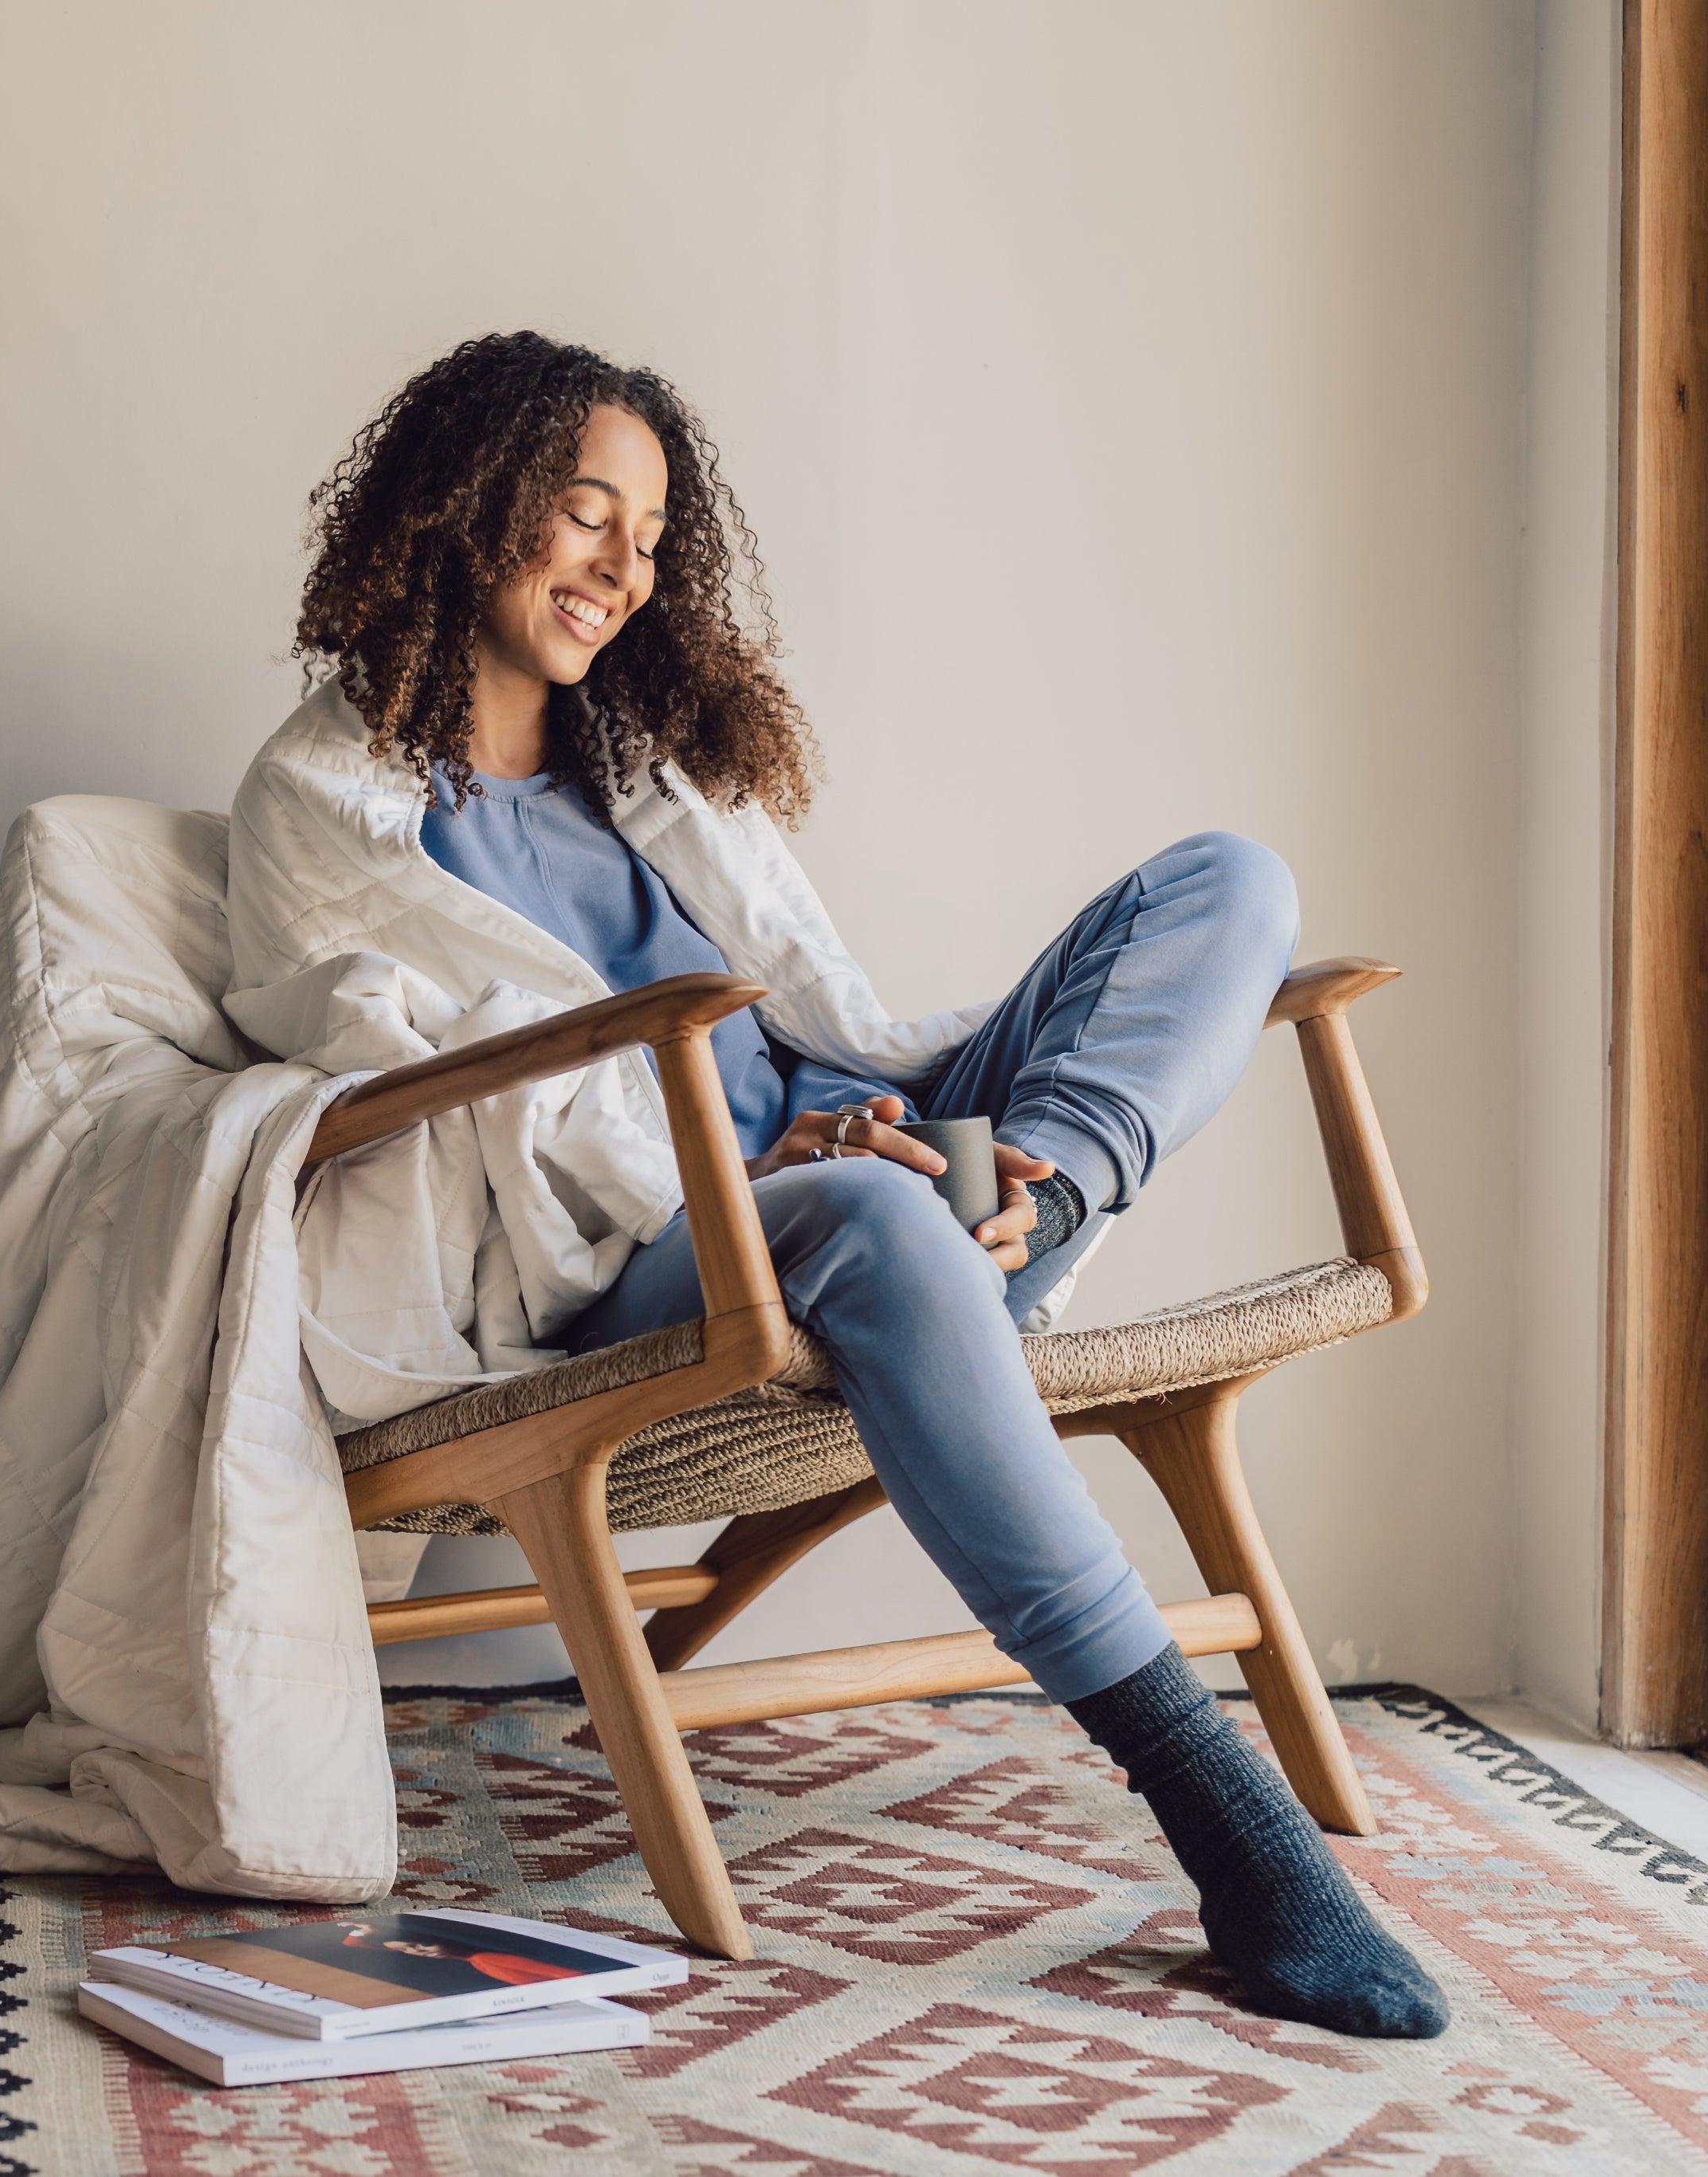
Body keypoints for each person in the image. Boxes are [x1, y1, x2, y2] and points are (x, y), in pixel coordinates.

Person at [234, 330, 1444, 2040]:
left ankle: (1042, 1181)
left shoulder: (638, 774)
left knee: (1227, 888)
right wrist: (752, 1173)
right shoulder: (326, 799)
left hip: (858, 1159)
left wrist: (911, 1131)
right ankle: (1229, 1829)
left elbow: (831, 1020)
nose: (618, 569)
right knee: (875, 1218)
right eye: (583, 515)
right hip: (663, 1252)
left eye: (648, 539)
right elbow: (395, 1085)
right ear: (464, 503)